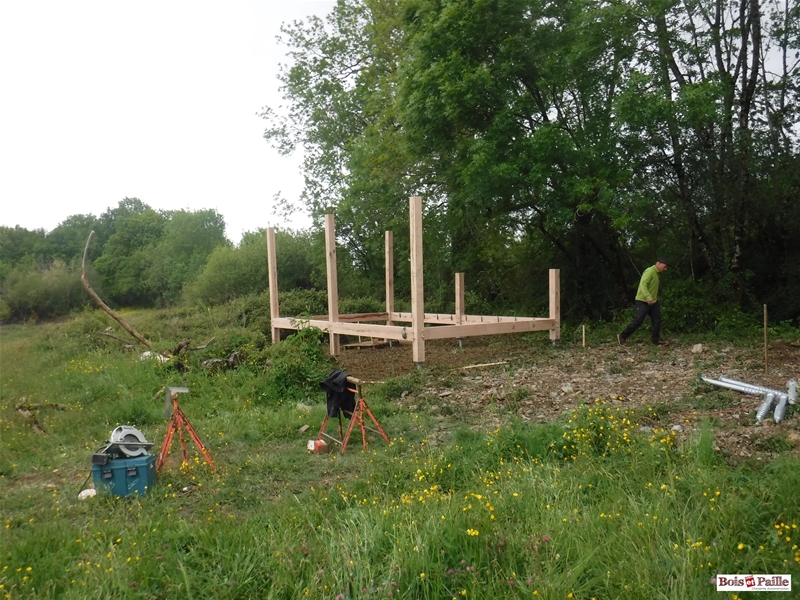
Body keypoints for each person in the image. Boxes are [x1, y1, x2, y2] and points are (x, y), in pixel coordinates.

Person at [618, 259, 670, 346]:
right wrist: (648, 297)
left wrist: (654, 298)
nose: (665, 269)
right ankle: (622, 336)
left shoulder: (657, 274)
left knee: (657, 319)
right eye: (665, 267)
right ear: (659, 263)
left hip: (653, 301)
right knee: (639, 320)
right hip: (643, 300)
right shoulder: (650, 271)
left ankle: (656, 340)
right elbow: (643, 284)